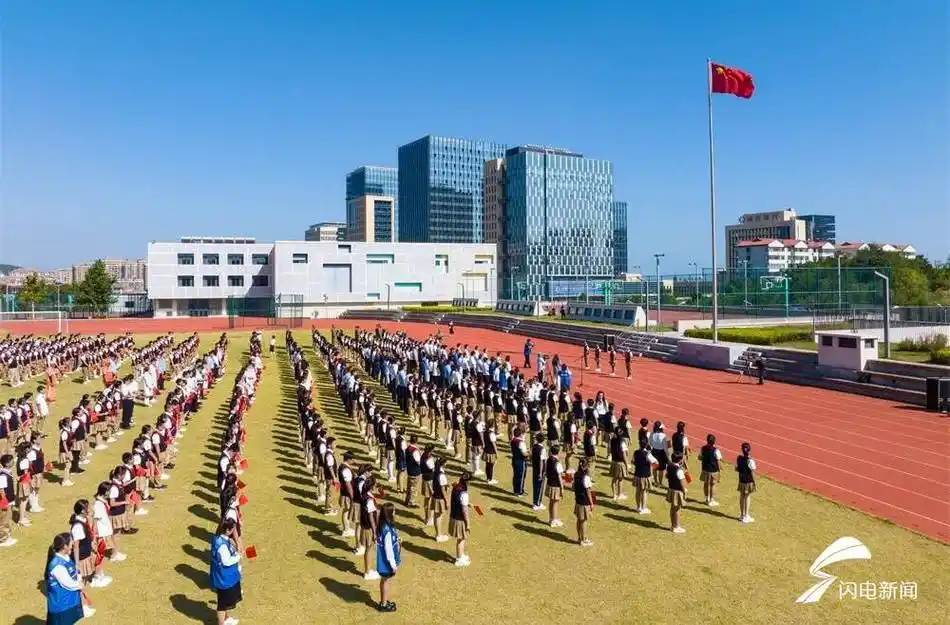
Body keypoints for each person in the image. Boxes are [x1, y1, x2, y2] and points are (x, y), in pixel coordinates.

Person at [45, 532, 91, 624]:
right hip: (62, 605)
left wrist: (79, 577)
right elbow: (68, 584)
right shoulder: (57, 565)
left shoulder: (66, 557)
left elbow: (74, 572)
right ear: (64, 546)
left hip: (70, 601)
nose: (72, 545)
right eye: (70, 543)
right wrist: (79, 585)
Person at [210, 517, 243, 625]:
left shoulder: (219, 537)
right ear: (228, 530)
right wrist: (238, 556)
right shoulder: (222, 546)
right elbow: (227, 561)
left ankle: (226, 619)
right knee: (222, 604)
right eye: (233, 529)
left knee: (225, 601)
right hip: (224, 578)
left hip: (224, 576)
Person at [375, 502, 401, 612]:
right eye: (393, 511)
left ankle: (384, 600)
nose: (395, 512)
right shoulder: (386, 530)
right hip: (386, 562)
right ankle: (384, 604)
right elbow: (388, 549)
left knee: (385, 580)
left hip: (385, 561)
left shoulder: (384, 525)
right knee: (385, 581)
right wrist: (393, 565)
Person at [449, 471, 473, 566]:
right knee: (461, 539)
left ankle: (461, 555)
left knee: (461, 539)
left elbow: (458, 500)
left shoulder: (456, 486)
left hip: (454, 516)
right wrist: (468, 524)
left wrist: (467, 503)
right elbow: (464, 510)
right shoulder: (464, 493)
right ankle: (459, 559)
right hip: (460, 519)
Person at [573, 459, 594, 546]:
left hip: (578, 500)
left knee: (579, 520)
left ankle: (579, 538)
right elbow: (588, 492)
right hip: (584, 502)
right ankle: (584, 539)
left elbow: (573, 486)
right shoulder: (586, 478)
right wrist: (591, 503)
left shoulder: (576, 474)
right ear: (586, 467)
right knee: (584, 521)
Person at [666, 452, 688, 534]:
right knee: (677, 509)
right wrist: (685, 491)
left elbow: (667, 476)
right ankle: (677, 526)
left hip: (671, 489)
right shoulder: (679, 470)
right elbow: (682, 482)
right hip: (678, 491)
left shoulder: (669, 466)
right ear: (680, 460)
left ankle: (673, 525)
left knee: (672, 508)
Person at [698, 434, 723, 507]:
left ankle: (707, 499)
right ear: (714, 442)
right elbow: (718, 461)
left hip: (705, 469)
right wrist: (720, 471)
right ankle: (712, 500)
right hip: (713, 470)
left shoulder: (703, 448)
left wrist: (705, 459)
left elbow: (699, 457)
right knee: (713, 484)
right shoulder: (716, 450)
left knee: (706, 484)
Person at [736, 442, 757, 523]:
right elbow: (752, 473)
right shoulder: (750, 460)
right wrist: (754, 483)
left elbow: (737, 468)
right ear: (749, 450)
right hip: (748, 481)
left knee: (742, 496)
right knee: (747, 497)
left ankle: (742, 515)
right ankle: (746, 516)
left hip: (741, 480)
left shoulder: (739, 458)